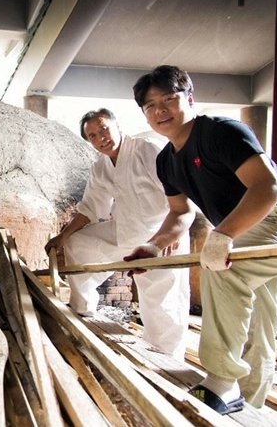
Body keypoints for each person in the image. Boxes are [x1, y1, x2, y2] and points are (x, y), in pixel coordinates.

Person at [128, 65, 277, 415]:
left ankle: (222, 381)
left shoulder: (220, 132)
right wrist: (152, 245)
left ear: (189, 99)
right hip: (247, 229)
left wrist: (222, 236)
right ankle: (250, 406)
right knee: (259, 321)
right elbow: (181, 214)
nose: (160, 110)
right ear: (145, 115)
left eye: (169, 99)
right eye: (151, 106)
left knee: (223, 268)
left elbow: (267, 188)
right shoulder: (167, 162)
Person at [45, 108, 190, 361]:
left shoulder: (147, 150)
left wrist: (170, 235)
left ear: (117, 125)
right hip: (124, 230)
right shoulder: (101, 167)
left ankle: (167, 358)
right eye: (92, 135)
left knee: (161, 301)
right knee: (80, 243)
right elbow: (90, 208)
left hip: (160, 236)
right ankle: (83, 309)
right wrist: (63, 236)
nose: (100, 137)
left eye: (103, 128)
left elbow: (181, 192)